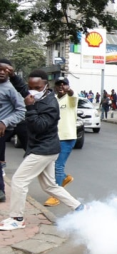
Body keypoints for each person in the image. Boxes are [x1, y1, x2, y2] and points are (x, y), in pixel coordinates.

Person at [0, 70, 87, 231]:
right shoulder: (37, 95)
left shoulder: (50, 104)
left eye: (37, 87)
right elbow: (22, 89)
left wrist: (30, 107)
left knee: (19, 181)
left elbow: (39, 126)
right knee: (50, 186)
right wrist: (12, 76)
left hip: (43, 150)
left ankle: (16, 218)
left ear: (45, 86)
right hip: (44, 148)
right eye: (30, 86)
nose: (32, 90)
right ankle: (80, 208)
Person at [43, 77, 78, 207]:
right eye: (58, 84)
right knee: (49, 165)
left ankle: (55, 196)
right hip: (53, 137)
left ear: (68, 86)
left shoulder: (71, 99)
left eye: (64, 85)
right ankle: (63, 178)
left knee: (58, 166)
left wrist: (69, 90)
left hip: (67, 137)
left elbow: (72, 95)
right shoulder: (54, 100)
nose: (61, 87)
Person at [0, 59, 26, 201]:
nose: (2, 72)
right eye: (0, 69)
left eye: (5, 70)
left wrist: (5, 122)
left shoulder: (11, 89)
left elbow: (21, 111)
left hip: (4, 129)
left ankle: (1, 191)